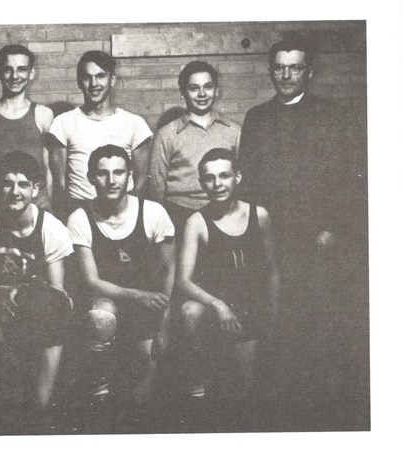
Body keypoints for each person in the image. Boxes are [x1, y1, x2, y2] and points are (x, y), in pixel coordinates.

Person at [237, 35, 366, 428]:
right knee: (274, 320)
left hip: (319, 241)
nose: (286, 74)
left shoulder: (333, 115)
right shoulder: (257, 117)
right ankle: (278, 408)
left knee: (318, 322)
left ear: (309, 71)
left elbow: (350, 180)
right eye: (279, 67)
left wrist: (331, 229)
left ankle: (323, 410)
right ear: (270, 71)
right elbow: (249, 182)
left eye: (294, 67)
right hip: (271, 237)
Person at [67, 145, 175, 405]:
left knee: (142, 393)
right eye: (103, 174)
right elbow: (91, 281)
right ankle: (98, 395)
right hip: (106, 304)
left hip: (146, 310)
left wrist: (164, 324)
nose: (112, 180)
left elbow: (170, 270)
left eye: (119, 172)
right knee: (100, 315)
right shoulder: (80, 218)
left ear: (130, 175)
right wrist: (136, 295)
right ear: (92, 178)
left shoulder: (152, 212)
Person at [175, 149, 279, 419]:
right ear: (201, 182)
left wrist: (275, 313)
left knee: (242, 395)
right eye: (209, 178)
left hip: (250, 309)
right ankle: (195, 390)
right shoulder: (196, 222)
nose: (217, 184)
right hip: (216, 311)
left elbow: (272, 268)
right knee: (189, 310)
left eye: (224, 176)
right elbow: (182, 281)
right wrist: (217, 304)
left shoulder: (260, 215)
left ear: (238, 177)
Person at [0, 151, 74, 412]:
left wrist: (27, 296)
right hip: (0, 300)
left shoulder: (52, 229)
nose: (15, 192)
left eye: (23, 184)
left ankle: (41, 402)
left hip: (37, 307)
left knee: (54, 311)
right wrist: (8, 292)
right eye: (7, 183)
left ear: (36, 188)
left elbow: (58, 293)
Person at [48, 50, 152, 217]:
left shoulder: (135, 124)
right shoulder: (63, 123)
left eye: (101, 76)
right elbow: (59, 183)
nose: (94, 83)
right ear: (79, 82)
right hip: (80, 210)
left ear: (112, 79)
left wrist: (126, 214)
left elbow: (141, 181)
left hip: (122, 211)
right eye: (87, 77)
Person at [148, 61, 241, 233]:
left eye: (208, 87)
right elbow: (156, 187)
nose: (202, 94)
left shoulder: (234, 131)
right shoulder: (167, 134)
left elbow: (242, 180)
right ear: (183, 92)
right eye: (194, 88)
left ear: (217, 91)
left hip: (224, 214)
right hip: (179, 215)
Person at [0, 44, 54, 211]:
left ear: (31, 73)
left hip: (35, 206)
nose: (15, 76)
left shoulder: (43, 115)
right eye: (8, 69)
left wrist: (47, 205)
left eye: (22, 69)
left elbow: (48, 169)